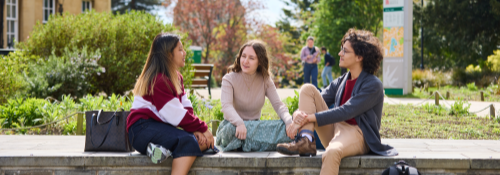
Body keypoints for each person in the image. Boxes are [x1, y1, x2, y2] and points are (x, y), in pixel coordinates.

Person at [276, 29, 398, 175]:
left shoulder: (373, 84)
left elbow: (347, 111)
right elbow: (318, 99)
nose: (340, 54)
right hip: (335, 130)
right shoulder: (342, 81)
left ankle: (308, 140)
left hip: (358, 134)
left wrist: (307, 118)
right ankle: (306, 140)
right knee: (308, 89)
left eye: (345, 51)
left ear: (359, 56)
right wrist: (298, 114)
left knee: (332, 152)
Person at [126, 33, 214, 175]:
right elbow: (176, 115)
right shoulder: (158, 80)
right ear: (168, 55)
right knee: (189, 141)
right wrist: (202, 128)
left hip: (160, 126)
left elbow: (186, 108)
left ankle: (161, 150)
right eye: (180, 49)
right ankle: (158, 148)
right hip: (141, 130)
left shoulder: (176, 77)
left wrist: (196, 130)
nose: (184, 53)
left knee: (204, 142)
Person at [216, 40, 299, 152]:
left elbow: (278, 105)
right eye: (243, 56)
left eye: (251, 58)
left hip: (256, 128)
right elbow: (226, 106)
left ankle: (246, 144)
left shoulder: (265, 80)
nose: (245, 61)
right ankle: (260, 143)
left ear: (259, 61)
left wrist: (289, 121)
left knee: (285, 127)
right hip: (233, 127)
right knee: (231, 130)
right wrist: (239, 123)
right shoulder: (229, 79)